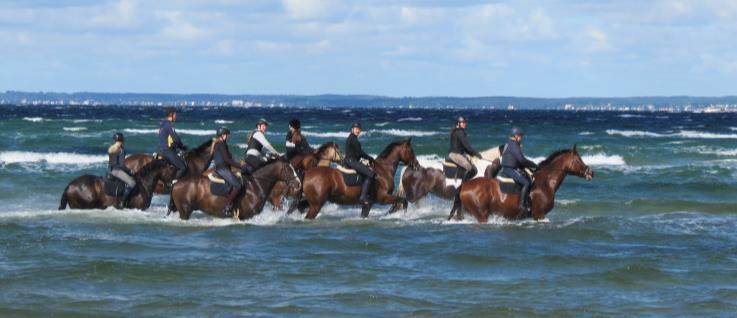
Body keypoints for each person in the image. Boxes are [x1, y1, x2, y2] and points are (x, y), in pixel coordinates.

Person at [500, 127, 539, 214]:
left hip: (510, 167)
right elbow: (522, 160)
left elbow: (518, 160)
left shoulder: (509, 143)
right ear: (516, 136)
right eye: (521, 136)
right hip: (509, 169)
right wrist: (534, 165)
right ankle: (522, 205)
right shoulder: (514, 145)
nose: (521, 139)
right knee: (526, 183)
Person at [212, 127, 245, 217]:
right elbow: (227, 160)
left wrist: (238, 163)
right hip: (223, 169)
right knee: (238, 185)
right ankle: (226, 206)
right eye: (227, 135)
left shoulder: (220, 144)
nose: (228, 137)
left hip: (223, 168)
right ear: (223, 135)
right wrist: (239, 166)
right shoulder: (221, 144)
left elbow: (229, 159)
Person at [344, 122, 375, 205]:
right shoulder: (353, 139)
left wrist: (363, 160)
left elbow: (357, 154)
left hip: (352, 160)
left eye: (359, 129)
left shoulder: (352, 138)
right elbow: (360, 152)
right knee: (370, 173)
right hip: (351, 161)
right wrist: (370, 158)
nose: (358, 131)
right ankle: (363, 196)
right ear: (352, 129)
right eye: (356, 129)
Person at [448, 116, 482, 181]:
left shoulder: (457, 131)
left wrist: (473, 154)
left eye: (465, 122)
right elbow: (467, 146)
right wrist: (477, 154)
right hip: (455, 154)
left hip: (456, 154)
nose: (464, 124)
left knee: (474, 169)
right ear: (458, 123)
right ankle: (463, 186)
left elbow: (464, 147)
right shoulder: (459, 132)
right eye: (462, 122)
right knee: (469, 168)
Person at [159, 107, 188, 180]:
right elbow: (176, 139)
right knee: (182, 167)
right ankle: (174, 183)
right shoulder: (169, 125)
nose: (176, 116)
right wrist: (182, 146)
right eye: (175, 114)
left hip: (163, 150)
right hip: (169, 152)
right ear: (171, 114)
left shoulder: (162, 125)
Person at [108, 132, 136, 208]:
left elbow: (112, 163)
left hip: (111, 170)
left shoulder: (111, 148)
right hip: (117, 171)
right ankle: (122, 203)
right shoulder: (121, 150)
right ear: (121, 140)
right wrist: (129, 171)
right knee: (132, 183)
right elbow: (121, 165)